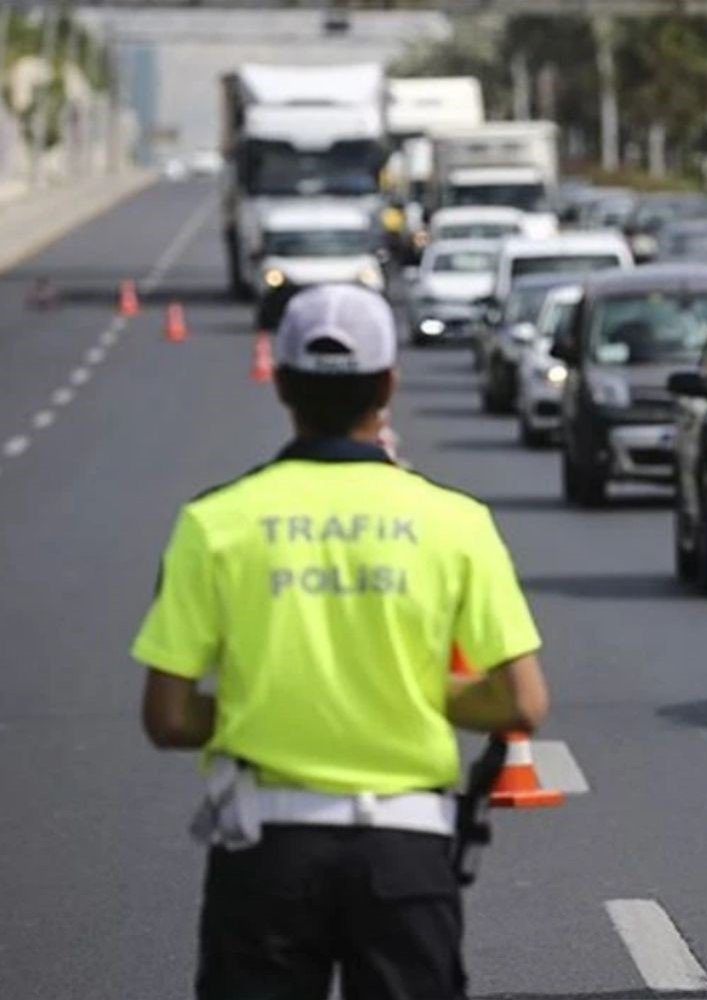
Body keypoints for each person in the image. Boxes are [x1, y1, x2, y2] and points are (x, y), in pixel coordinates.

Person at [132, 284, 550, 1000]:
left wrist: (263, 704)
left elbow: (167, 717)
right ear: (388, 384)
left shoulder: (214, 523)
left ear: (283, 383)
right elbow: (521, 701)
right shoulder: (455, 522)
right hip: (407, 853)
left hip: (266, 851)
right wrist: (409, 694)